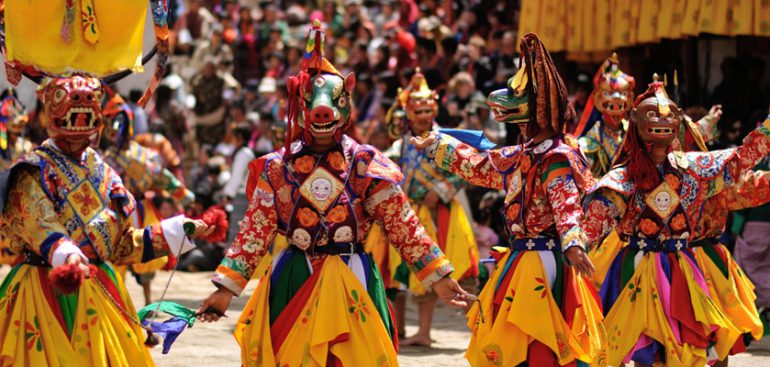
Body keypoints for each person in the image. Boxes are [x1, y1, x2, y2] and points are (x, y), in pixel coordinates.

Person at [197, 22, 469, 366]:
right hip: (295, 273)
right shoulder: (277, 167)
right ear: (300, 103)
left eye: (332, 103)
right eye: (313, 103)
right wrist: (225, 290)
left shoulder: (365, 164)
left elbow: (403, 223)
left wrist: (438, 277)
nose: (323, 113)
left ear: (346, 103)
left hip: (351, 270)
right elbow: (254, 231)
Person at [413, 33, 605, 367]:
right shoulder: (525, 153)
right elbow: (479, 166)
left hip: (544, 259)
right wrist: (437, 145)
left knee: (536, 345)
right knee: (518, 348)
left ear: (540, 104)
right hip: (523, 258)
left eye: (519, 95)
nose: (506, 99)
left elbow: (566, 205)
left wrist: (574, 242)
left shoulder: (556, 156)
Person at [0, 75, 212, 366]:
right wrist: (66, 253)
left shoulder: (104, 171)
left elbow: (119, 245)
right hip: (44, 286)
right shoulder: (31, 170)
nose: (84, 104)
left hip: (99, 287)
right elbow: (37, 222)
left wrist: (175, 232)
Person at [582, 76, 770, 367]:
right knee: (617, 347)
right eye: (652, 115)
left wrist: (767, 131)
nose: (660, 121)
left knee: (681, 350)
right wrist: (575, 244)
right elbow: (596, 218)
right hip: (634, 265)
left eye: (667, 116)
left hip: (680, 266)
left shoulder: (693, 168)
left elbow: (740, 161)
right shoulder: (623, 176)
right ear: (635, 121)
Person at [379, 69, 478, 347]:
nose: (422, 114)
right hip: (405, 210)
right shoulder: (399, 144)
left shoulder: (444, 140)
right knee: (398, 274)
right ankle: (400, 329)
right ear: (407, 110)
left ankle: (425, 330)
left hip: (438, 213)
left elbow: (466, 171)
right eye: (416, 109)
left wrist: (440, 190)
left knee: (433, 268)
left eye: (426, 109)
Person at [99, 93, 195, 306]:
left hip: (140, 207)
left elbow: (162, 177)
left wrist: (183, 194)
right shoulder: (104, 158)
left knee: (146, 255)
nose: (114, 129)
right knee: (116, 259)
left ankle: (148, 302)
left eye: (118, 122)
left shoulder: (143, 154)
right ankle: (116, 302)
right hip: (116, 210)